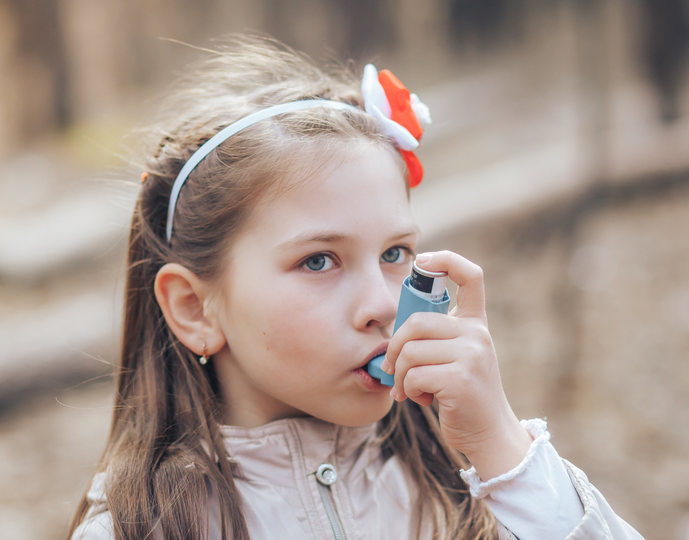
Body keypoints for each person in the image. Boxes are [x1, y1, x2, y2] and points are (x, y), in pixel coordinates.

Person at [67, 38, 644, 540]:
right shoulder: (142, 526)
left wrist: (502, 449)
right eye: (319, 261)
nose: (384, 306)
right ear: (195, 308)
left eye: (396, 254)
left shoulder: (464, 491)